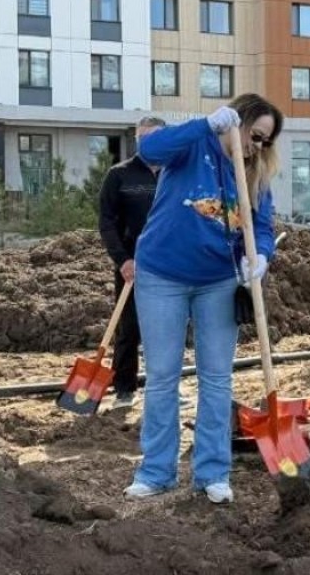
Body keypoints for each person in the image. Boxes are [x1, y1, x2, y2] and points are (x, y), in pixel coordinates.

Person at [123, 94, 283, 505]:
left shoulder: (255, 176)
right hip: (162, 275)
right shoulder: (194, 144)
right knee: (162, 376)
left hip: (219, 282)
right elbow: (148, 149)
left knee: (216, 377)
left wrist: (261, 255)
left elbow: (262, 226)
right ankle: (156, 471)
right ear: (237, 122)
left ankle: (212, 472)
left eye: (265, 141)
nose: (256, 146)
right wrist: (204, 124)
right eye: (254, 134)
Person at [98, 116, 166, 409]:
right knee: (129, 327)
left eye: (155, 137)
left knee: (168, 328)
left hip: (172, 266)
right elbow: (106, 222)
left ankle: (163, 388)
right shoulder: (120, 175)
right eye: (143, 138)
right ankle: (124, 388)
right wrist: (122, 259)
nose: (148, 143)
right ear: (137, 140)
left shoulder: (175, 174)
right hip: (132, 266)